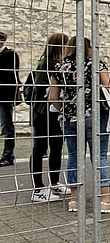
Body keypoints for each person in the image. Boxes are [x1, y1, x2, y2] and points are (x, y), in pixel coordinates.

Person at [48, 36, 110, 213]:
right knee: (99, 156)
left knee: (74, 156)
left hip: (69, 117)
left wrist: (65, 109)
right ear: (89, 47)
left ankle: (74, 200)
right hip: (94, 115)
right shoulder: (94, 63)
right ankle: (105, 199)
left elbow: (52, 97)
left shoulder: (58, 67)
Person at [28, 33, 70, 202]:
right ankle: (38, 188)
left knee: (56, 146)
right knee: (40, 147)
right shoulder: (46, 64)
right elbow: (39, 89)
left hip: (54, 112)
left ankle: (54, 182)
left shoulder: (58, 64)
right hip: (43, 112)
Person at [0, 30, 20, 166]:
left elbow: (11, 76)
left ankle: (8, 156)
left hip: (3, 96)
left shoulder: (10, 55)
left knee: (7, 127)